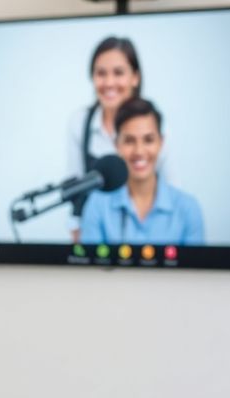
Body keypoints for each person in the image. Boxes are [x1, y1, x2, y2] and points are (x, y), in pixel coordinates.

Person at [79, 97, 204, 245]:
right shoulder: (97, 205)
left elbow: (193, 268)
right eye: (129, 141)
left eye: (148, 140)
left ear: (161, 143)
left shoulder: (188, 208)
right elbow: (90, 267)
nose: (139, 151)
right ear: (116, 145)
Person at [65, 36, 144, 243]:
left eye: (118, 73)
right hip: (95, 240)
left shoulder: (154, 126)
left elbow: (172, 193)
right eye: (101, 73)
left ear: (135, 77)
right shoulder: (80, 122)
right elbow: (75, 195)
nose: (109, 82)